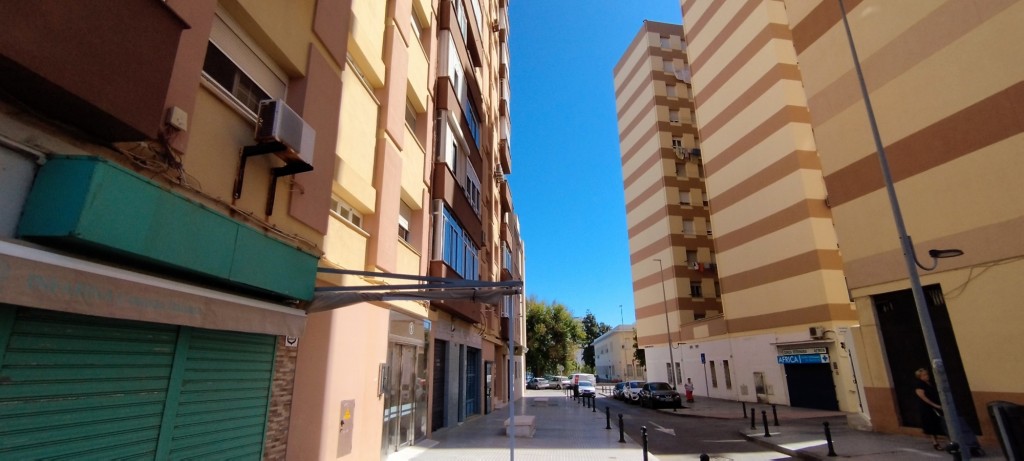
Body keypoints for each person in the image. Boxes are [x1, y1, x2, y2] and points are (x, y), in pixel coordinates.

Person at [913, 368, 947, 450]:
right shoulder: (919, 385)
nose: (926, 376)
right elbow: (923, 397)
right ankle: (935, 443)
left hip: (936, 405)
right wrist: (935, 405)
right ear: (919, 377)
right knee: (932, 425)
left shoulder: (930, 383)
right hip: (927, 408)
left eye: (927, 374)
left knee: (941, 423)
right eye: (924, 375)